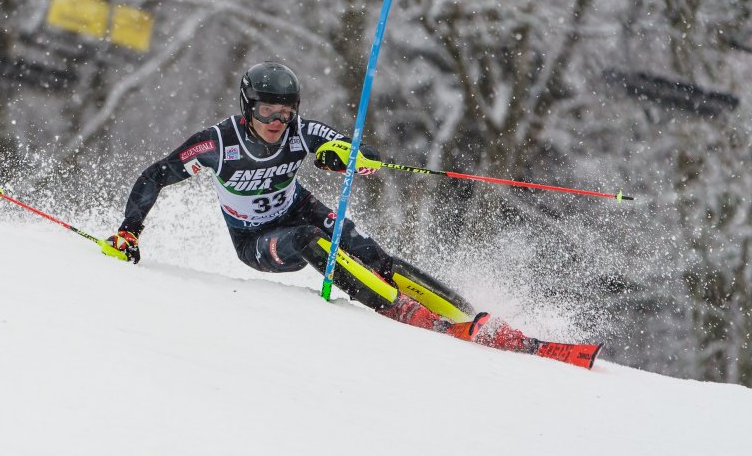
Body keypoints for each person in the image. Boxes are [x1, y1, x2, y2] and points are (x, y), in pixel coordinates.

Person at [108, 62, 601, 366]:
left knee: (372, 254)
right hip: (257, 241)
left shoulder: (299, 132)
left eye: (287, 113)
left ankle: (465, 314)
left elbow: (343, 144)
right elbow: (155, 175)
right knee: (305, 239)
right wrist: (130, 231)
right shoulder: (218, 144)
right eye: (267, 114)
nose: (279, 124)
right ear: (247, 109)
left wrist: (346, 156)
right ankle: (396, 309)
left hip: (298, 206)